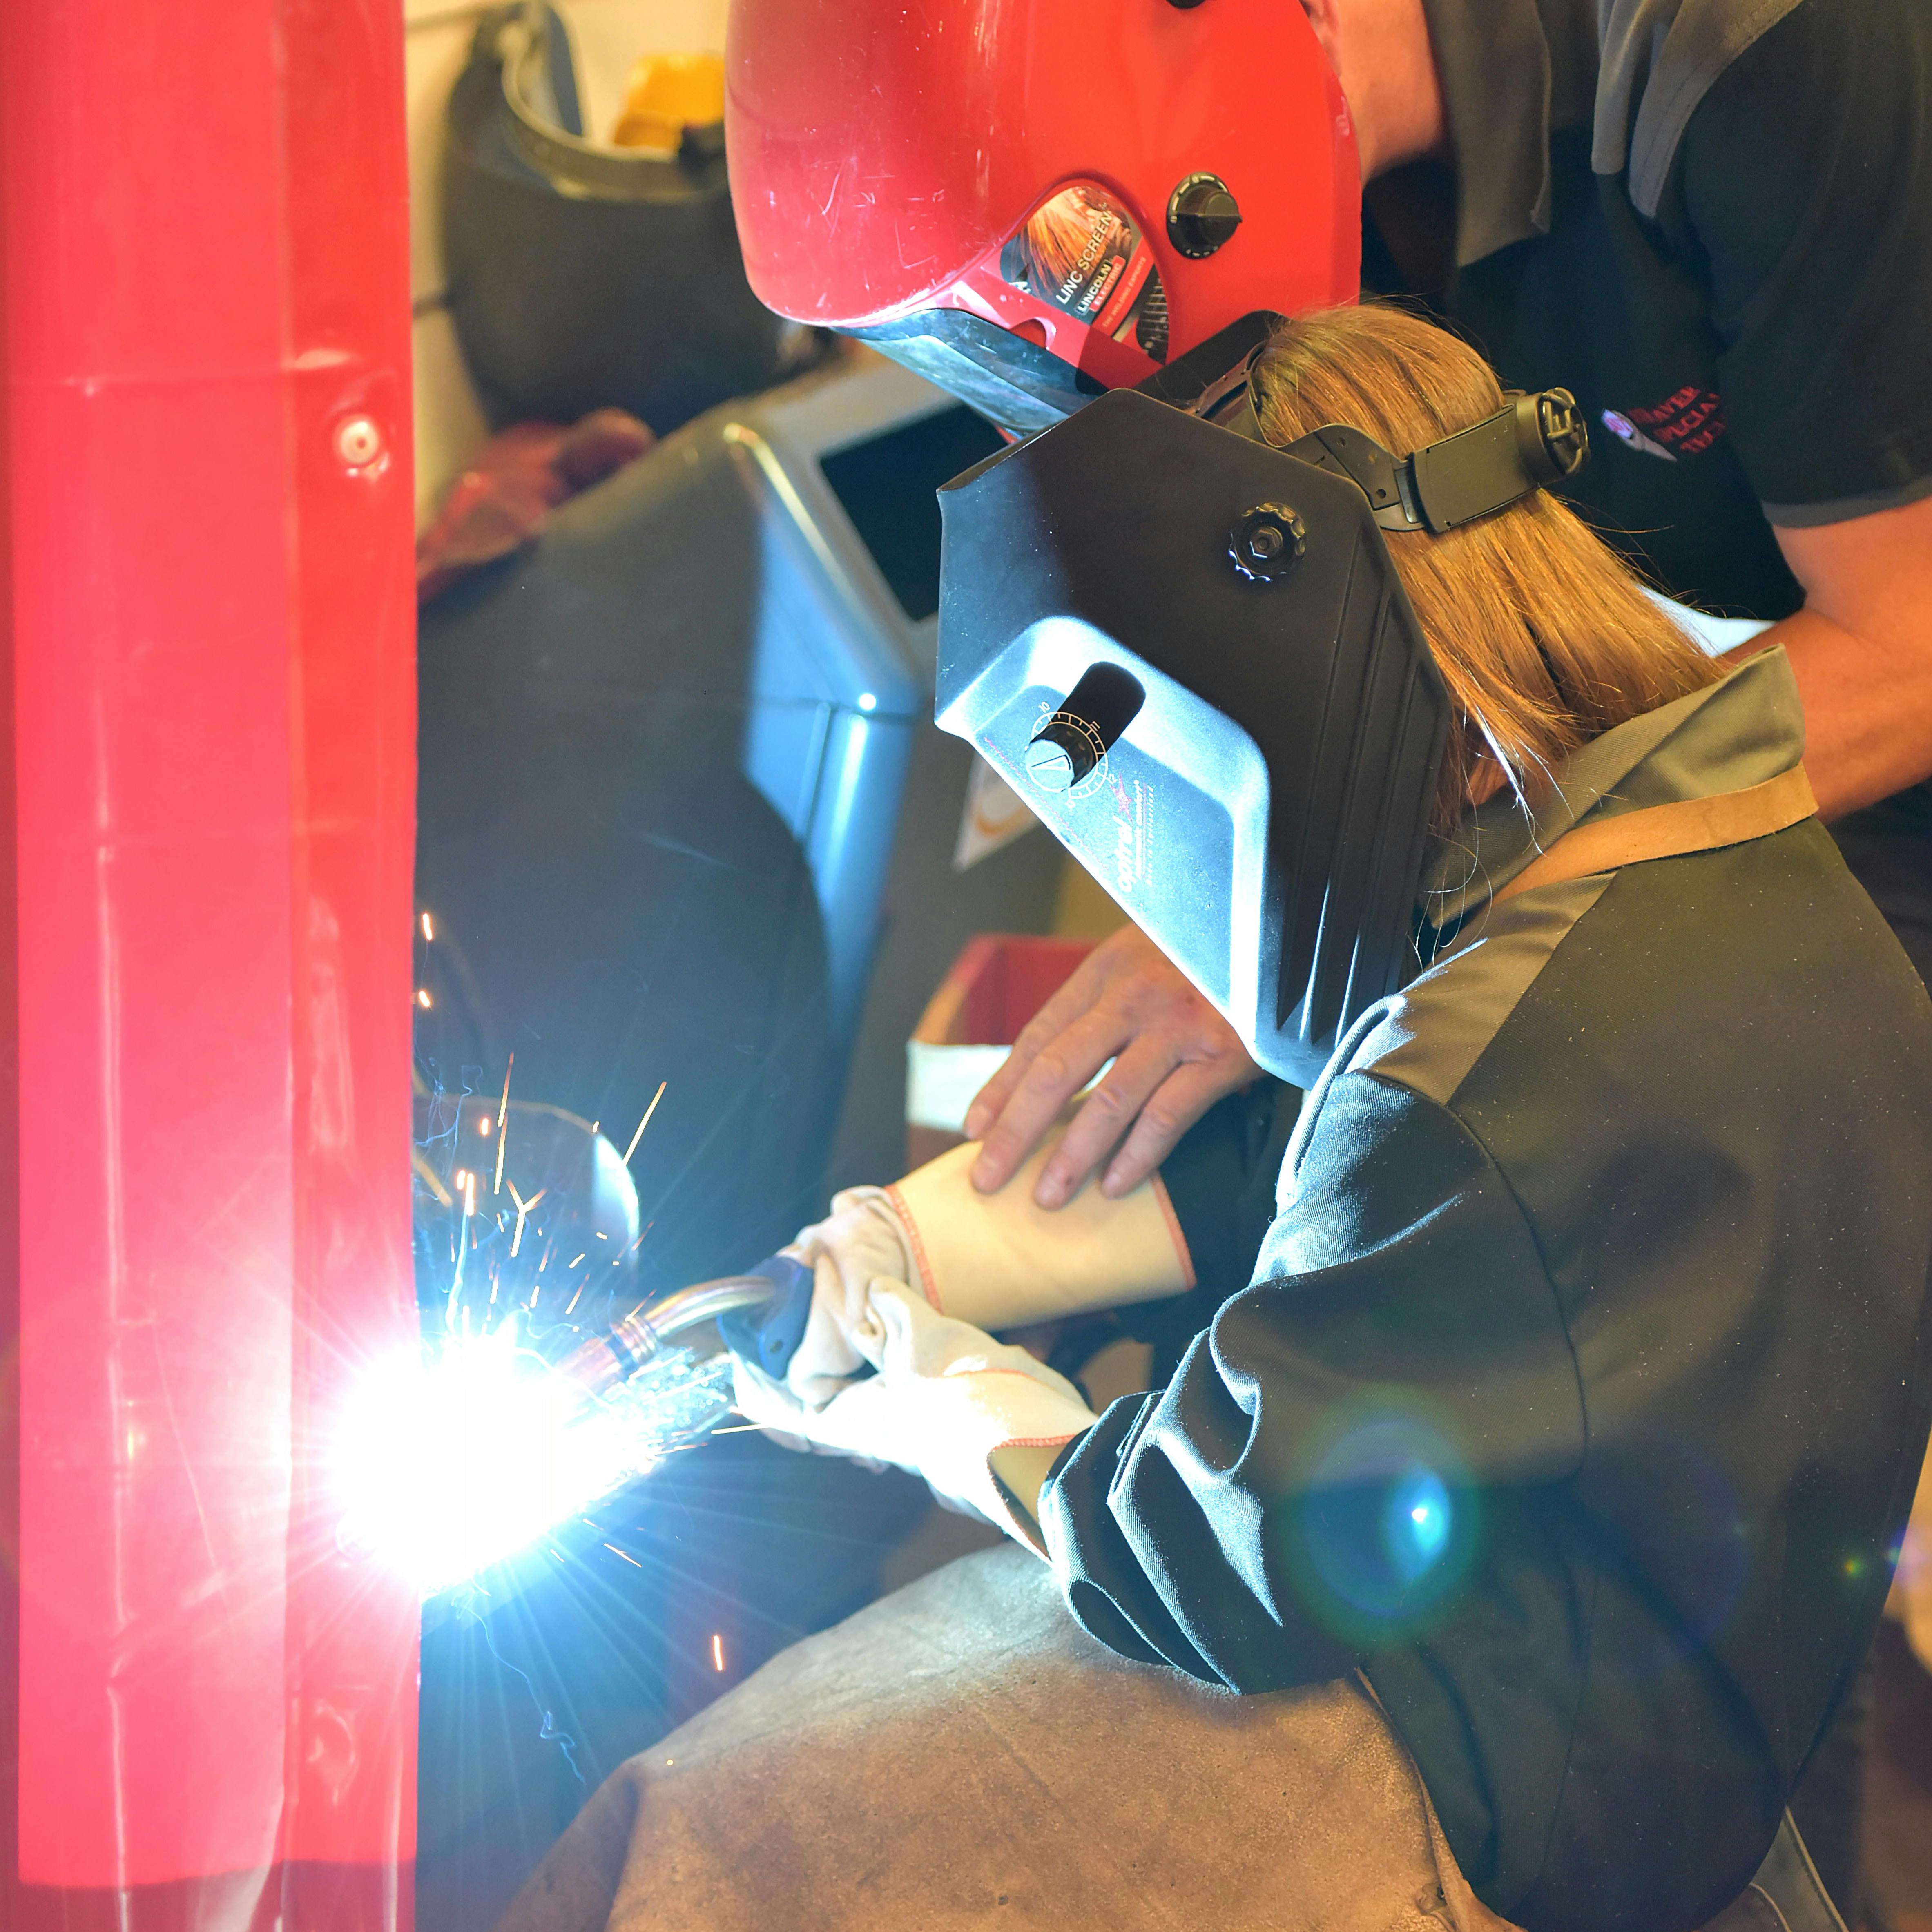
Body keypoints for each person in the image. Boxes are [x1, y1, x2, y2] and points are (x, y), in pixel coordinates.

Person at [733, 303, 1932, 1932]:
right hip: (1698, 1706)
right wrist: (918, 1245)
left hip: (1526, 1824)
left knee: (755, 1820)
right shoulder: (1741, 871)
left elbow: (1193, 1554)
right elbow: (1442, 1234)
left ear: (1271, 688)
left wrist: (954, 1417)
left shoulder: (1476, 1082)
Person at [934, 0, 1932, 1214]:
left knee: (1600, 1170)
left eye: (1067, 263)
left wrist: (1316, 912)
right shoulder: (1291, 204)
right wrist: (1252, 896)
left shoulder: (1756, 48)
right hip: (1694, 698)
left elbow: (1902, 652)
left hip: (1882, 726)